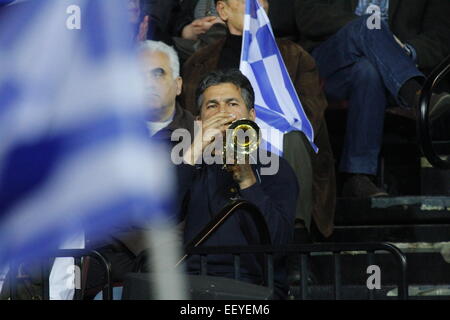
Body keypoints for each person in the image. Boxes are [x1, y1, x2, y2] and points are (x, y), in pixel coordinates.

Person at [181, 0, 336, 238]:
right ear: (222, 10)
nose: (256, 4)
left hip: (279, 144)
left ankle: (296, 235)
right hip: (217, 145)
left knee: (293, 139)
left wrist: (260, 130)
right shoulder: (200, 61)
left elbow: (310, 115)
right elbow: (192, 116)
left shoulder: (294, 56)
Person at [294, 0, 450, 198]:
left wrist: (401, 51)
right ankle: (415, 96)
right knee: (370, 25)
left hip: (388, 71)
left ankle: (358, 177)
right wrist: (372, 33)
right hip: (329, 63)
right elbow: (309, 17)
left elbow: (440, 37)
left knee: (368, 71)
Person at [84, 40, 195, 295]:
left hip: (184, 266)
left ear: (178, 85)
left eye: (158, 73)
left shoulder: (200, 136)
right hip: (114, 267)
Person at [178, 69, 298, 299]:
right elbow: (161, 215)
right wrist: (193, 151)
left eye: (232, 103)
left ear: (251, 115)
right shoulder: (189, 165)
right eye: (212, 106)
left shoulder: (276, 168)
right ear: (199, 120)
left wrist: (247, 179)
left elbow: (279, 243)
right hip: (194, 285)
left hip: (254, 286)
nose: (223, 113)